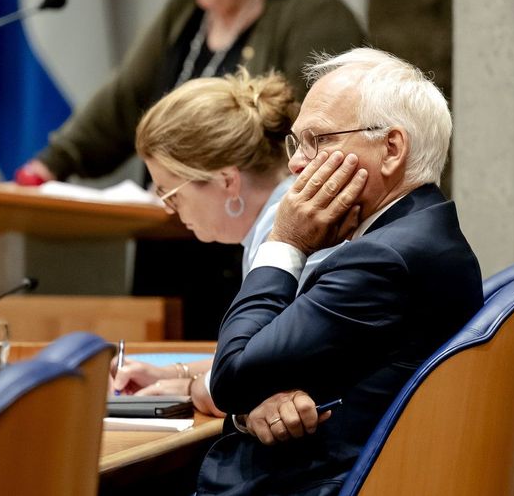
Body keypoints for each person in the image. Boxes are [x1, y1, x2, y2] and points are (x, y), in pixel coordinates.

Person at [17, 0, 365, 339]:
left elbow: (323, 135)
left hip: (258, 241)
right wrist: (48, 165)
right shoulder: (185, 13)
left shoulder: (312, 13)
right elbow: (121, 102)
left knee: (241, 363)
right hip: (173, 238)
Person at [194, 48, 484, 495]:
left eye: (320, 140)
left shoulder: (384, 260)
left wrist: (285, 241)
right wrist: (255, 407)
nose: (295, 163)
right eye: (297, 142)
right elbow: (256, 380)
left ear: (391, 149)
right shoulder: (422, 233)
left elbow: (232, 375)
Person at [111, 70, 355, 415]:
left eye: (170, 192)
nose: (167, 207)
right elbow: (255, 349)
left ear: (227, 181)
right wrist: (171, 373)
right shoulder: (272, 219)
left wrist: (193, 388)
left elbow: (271, 371)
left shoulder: (295, 227)